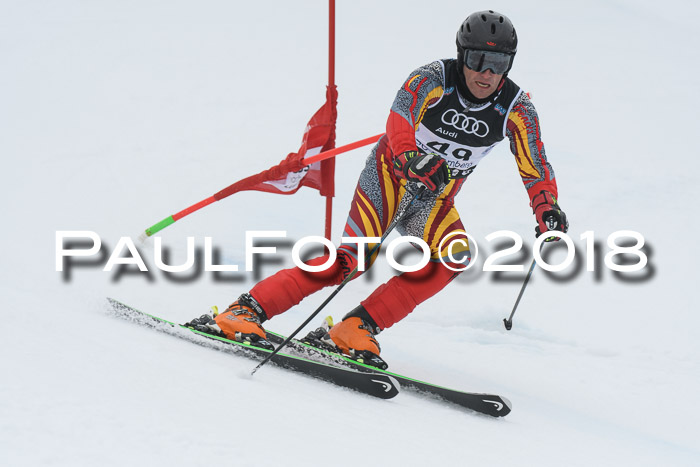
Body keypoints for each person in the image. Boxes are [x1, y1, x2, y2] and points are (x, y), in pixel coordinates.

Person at [187, 10, 568, 366]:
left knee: (455, 255)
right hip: (389, 176)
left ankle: (355, 328)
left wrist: (546, 209)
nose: (486, 74)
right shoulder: (432, 78)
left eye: (498, 64)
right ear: (461, 55)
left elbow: (535, 167)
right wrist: (409, 158)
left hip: (432, 198)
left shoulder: (518, 109)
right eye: (477, 62)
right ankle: (244, 311)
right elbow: (399, 119)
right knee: (348, 262)